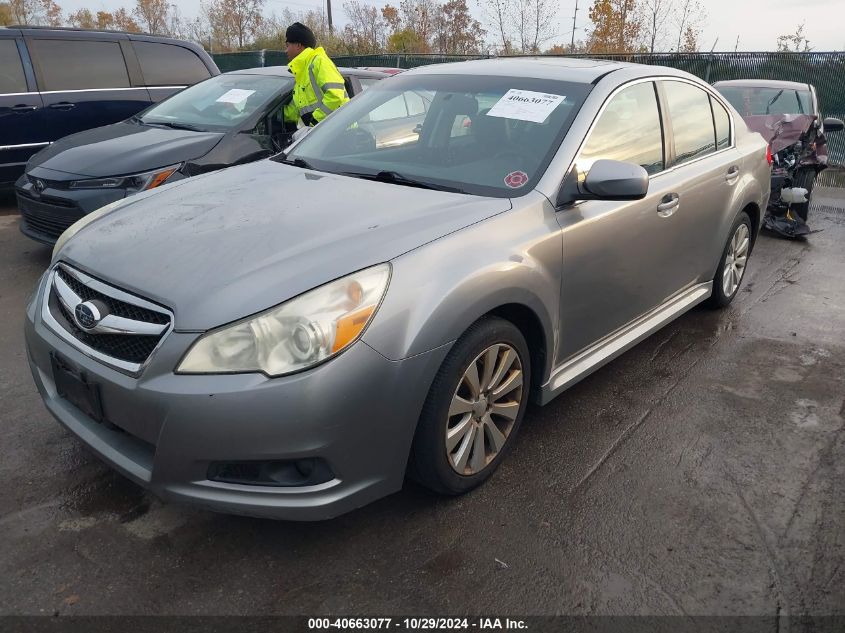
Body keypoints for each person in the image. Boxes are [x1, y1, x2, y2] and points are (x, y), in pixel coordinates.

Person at [283, 22, 349, 127]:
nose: (285, 50)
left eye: (287, 45)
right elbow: (297, 108)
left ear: (298, 45)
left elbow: (336, 95)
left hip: (340, 130)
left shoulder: (319, 61)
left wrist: (315, 122)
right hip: (323, 132)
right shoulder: (302, 71)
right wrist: (278, 115)